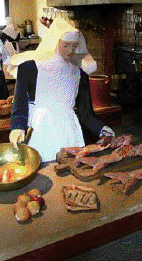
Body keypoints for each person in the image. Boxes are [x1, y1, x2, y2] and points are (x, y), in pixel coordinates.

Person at [8, 15, 114, 162]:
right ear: (56, 41)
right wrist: (17, 127)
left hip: (69, 130)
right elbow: (20, 104)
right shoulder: (30, 68)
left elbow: (86, 114)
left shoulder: (79, 74)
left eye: (74, 46)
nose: (70, 50)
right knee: (41, 166)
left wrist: (102, 129)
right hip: (41, 129)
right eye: (66, 45)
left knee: (69, 167)